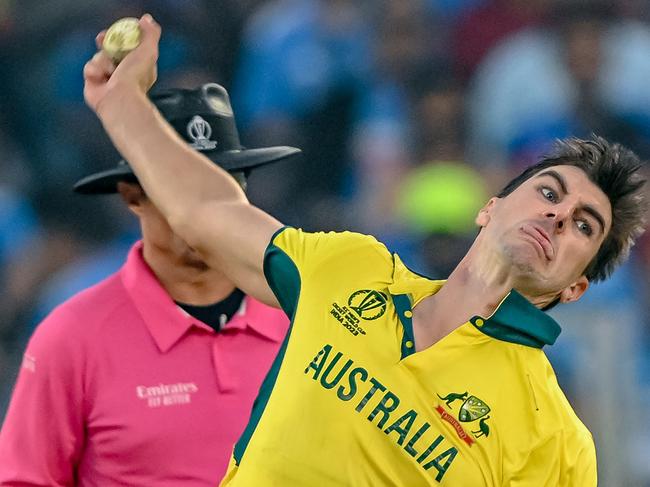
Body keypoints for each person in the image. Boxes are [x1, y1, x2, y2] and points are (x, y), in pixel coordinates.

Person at [82, 16, 647, 486]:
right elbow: (207, 212)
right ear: (489, 207)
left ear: (574, 287)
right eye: (549, 193)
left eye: (584, 226)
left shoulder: (557, 440)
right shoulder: (352, 267)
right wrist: (121, 104)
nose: (557, 214)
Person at [0, 82, 300, 485]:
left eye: (221, 187)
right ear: (132, 195)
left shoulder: (306, 321)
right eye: (180, 187)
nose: (202, 209)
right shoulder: (72, 336)